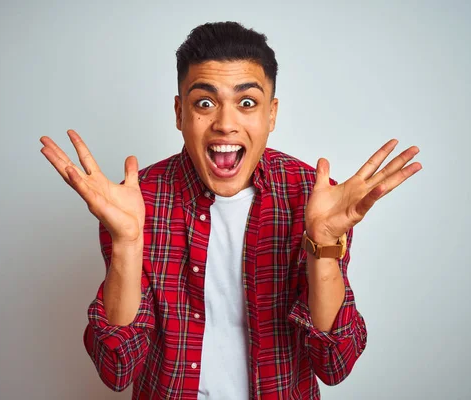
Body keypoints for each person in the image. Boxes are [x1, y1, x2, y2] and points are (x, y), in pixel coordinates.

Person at [40, 21, 421, 400]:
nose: (225, 124)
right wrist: (126, 241)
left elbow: (335, 364)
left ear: (271, 115)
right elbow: (117, 368)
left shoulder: (314, 197)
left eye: (247, 103)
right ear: (179, 113)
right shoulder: (137, 200)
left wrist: (322, 244)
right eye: (205, 103)